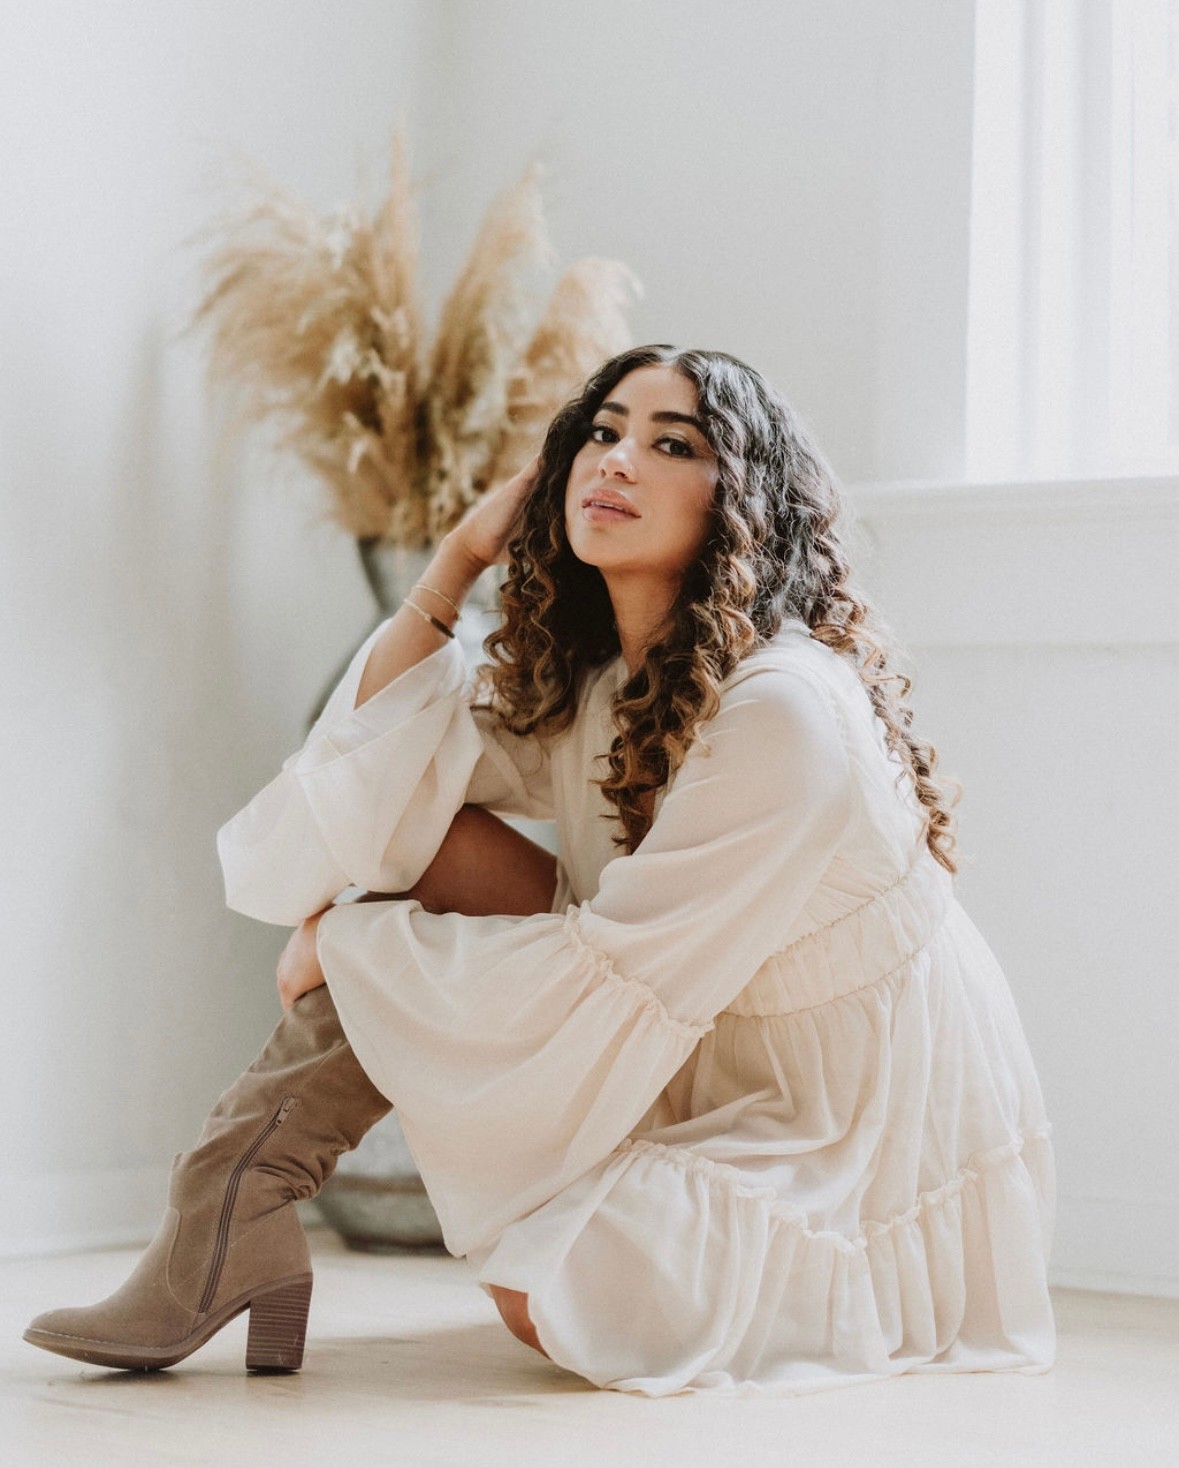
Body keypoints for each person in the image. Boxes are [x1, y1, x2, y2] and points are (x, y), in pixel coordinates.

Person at [24, 346, 1056, 1396]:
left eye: (672, 444)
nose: (617, 460)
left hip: (846, 1116)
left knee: (546, 1290)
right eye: (602, 432)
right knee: (429, 836)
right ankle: (227, 1209)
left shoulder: (782, 710)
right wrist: (458, 559)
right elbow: (387, 773)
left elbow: (621, 969)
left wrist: (347, 940)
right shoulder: (609, 681)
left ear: (741, 500)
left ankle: (222, 1225)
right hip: (694, 1028)